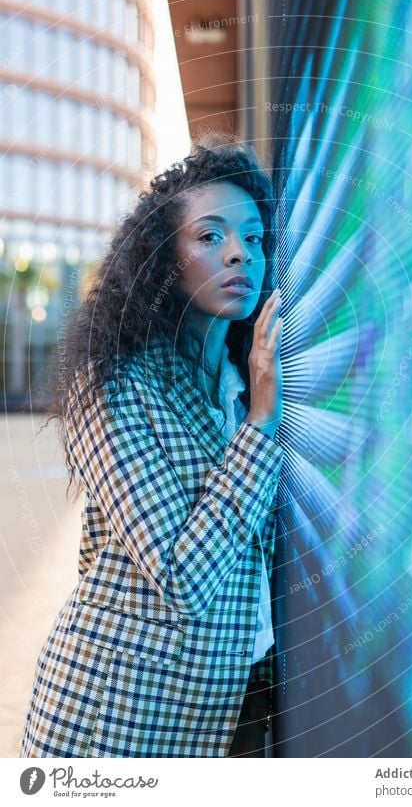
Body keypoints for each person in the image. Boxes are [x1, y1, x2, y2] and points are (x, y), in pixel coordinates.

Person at [19, 134, 284, 758]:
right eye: (211, 236)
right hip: (113, 722)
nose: (241, 254)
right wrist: (261, 423)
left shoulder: (242, 380)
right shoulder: (112, 386)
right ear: (163, 257)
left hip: (226, 717)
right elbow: (181, 575)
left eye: (254, 237)